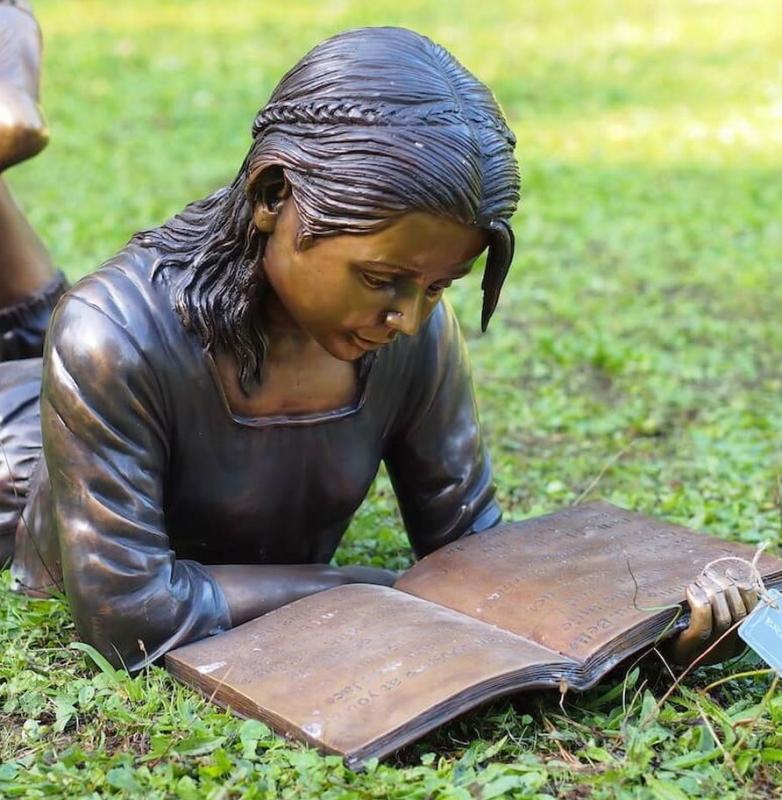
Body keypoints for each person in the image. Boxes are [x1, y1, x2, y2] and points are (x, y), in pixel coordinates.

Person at [0, 7, 756, 672]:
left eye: (438, 288)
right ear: (273, 197)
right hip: (23, 454)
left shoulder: (413, 336)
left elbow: (469, 552)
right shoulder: (114, 338)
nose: (410, 318)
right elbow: (128, 618)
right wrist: (372, 586)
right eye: (382, 278)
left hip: (87, 392)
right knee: (38, 333)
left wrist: (661, 633)